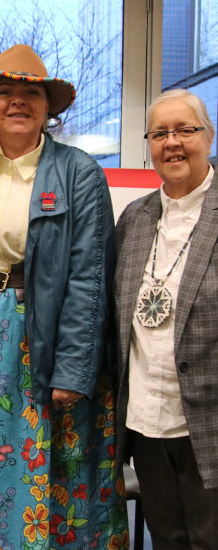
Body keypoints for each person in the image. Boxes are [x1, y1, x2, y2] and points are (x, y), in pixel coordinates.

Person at [0, 44, 128, 549]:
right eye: (5, 92)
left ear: (48, 108)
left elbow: (90, 276)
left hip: (45, 338)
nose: (18, 102)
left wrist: (73, 369)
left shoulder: (78, 171)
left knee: (51, 471)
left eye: (31, 93)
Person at [114, 89, 218, 549]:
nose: (172, 142)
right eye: (160, 133)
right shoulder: (134, 220)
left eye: (185, 130)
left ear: (208, 137)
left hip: (209, 424)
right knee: (168, 539)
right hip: (146, 424)